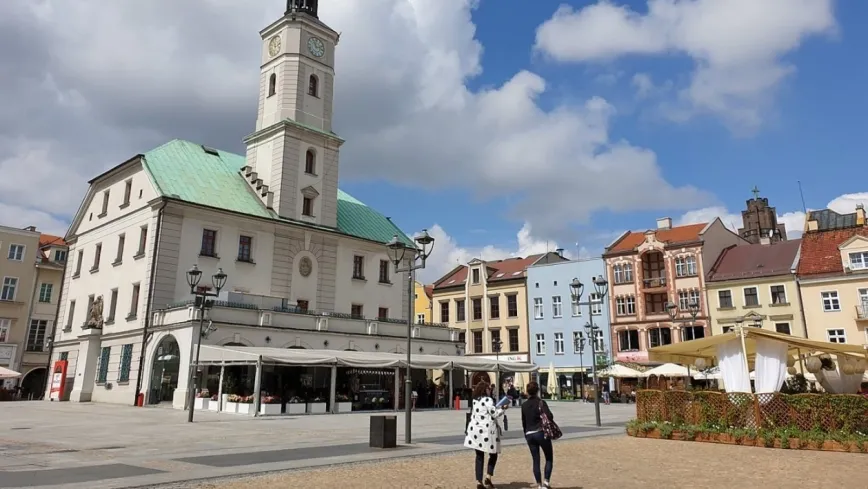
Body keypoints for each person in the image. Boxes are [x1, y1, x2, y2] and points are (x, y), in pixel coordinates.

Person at [464, 380, 507, 489]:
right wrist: (503, 408)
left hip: (475, 431)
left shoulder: (475, 401)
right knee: (493, 454)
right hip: (487, 432)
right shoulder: (488, 400)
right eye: (488, 389)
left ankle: (479, 481)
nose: (489, 390)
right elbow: (495, 414)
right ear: (485, 390)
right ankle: (488, 476)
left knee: (479, 456)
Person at [521, 381, 554, 489]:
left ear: (527, 391)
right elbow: (549, 416)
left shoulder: (524, 405)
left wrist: (526, 434)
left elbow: (524, 422)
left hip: (529, 434)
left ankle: (539, 484)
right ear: (538, 391)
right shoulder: (541, 402)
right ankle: (546, 482)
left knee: (536, 459)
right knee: (548, 457)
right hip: (540, 432)